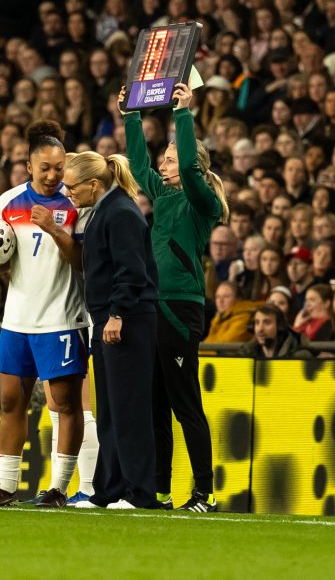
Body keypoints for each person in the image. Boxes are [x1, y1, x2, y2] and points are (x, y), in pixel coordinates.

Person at [0, 121, 96, 508]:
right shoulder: (7, 203)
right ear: (28, 167)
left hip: (62, 318)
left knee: (67, 404)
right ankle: (6, 488)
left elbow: (82, 260)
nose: (54, 175)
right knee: (10, 403)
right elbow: (7, 261)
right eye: (45, 168)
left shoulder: (75, 204)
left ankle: (58, 489)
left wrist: (54, 230)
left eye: (59, 167)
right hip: (17, 319)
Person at [123, 82, 228, 512]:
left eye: (169, 160)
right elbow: (136, 164)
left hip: (181, 309)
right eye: (163, 160)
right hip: (154, 307)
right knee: (156, 406)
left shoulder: (201, 202)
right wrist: (131, 115)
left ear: (192, 166)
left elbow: (186, 167)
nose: (162, 166)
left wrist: (183, 113)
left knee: (186, 405)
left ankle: (204, 492)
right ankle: (160, 491)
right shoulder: (163, 197)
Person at [62, 150, 160, 510]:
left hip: (127, 320)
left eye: (72, 187)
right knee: (111, 410)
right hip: (108, 319)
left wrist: (118, 313)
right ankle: (109, 490)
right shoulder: (107, 210)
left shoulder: (120, 213)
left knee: (129, 409)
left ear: (93, 184)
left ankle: (139, 493)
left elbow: (131, 270)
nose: (68, 193)